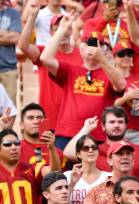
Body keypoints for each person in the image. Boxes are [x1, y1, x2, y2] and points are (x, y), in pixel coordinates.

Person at [39, 13, 127, 147]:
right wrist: (62, 29)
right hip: (67, 133)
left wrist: (101, 58)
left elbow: (121, 85)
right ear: (80, 48)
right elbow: (45, 58)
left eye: (100, 45)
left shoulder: (108, 72)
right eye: (87, 43)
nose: (92, 47)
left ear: (106, 50)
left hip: (97, 136)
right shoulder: (70, 69)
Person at [0, 128, 60, 204]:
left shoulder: (31, 168)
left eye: (17, 143)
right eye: (8, 144)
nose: (13, 147)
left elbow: (55, 174)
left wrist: (52, 149)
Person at [64, 107, 139, 179]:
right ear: (103, 126)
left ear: (126, 125)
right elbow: (68, 153)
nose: (116, 125)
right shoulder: (94, 151)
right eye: (112, 122)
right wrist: (86, 129)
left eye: (120, 122)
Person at [64, 135, 111, 204]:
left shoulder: (108, 177)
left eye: (94, 147)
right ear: (78, 154)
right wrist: (72, 184)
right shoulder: (67, 176)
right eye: (86, 148)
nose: (90, 150)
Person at [18, 104, 65, 169]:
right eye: (30, 118)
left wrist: (52, 149)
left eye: (39, 118)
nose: (36, 121)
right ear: (21, 125)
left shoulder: (58, 153)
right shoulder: (14, 149)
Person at [0, 0, 21, 104]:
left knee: (8, 114)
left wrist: (10, 36)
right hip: (9, 69)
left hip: (8, 69)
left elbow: (16, 37)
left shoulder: (13, 13)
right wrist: (5, 34)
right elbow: (11, 36)